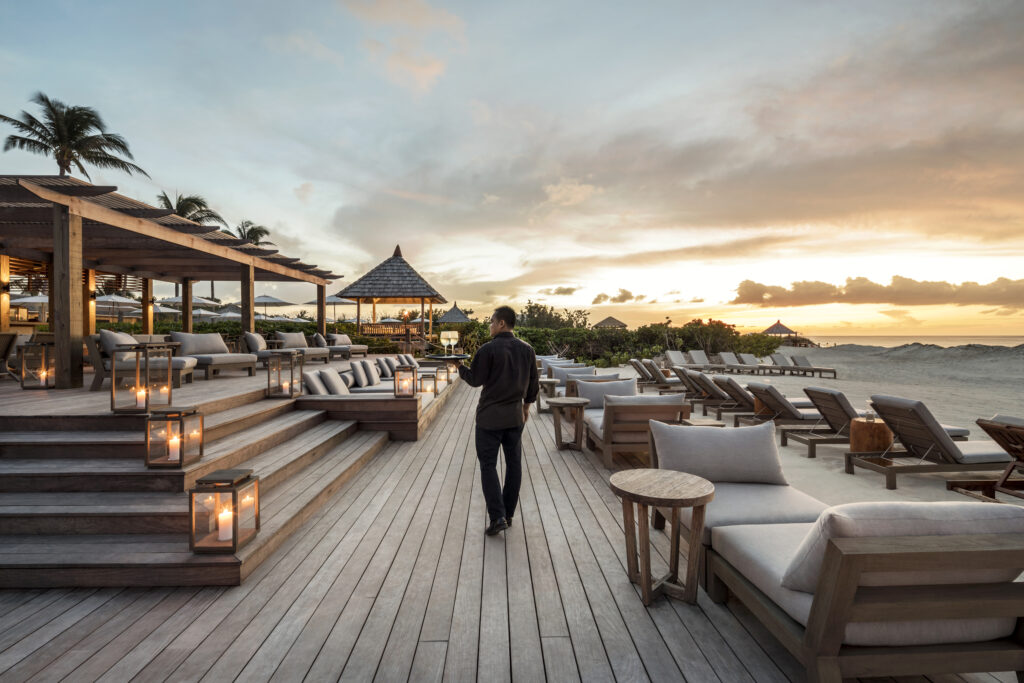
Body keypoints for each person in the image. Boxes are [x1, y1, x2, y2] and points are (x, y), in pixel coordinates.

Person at [454, 305, 539, 536]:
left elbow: (475, 380)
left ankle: (498, 516)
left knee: (488, 466)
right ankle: (508, 514)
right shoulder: (527, 350)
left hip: (489, 420)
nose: (490, 325)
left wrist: (459, 367)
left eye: (492, 321)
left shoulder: (487, 350)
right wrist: (526, 407)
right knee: (514, 466)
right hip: (514, 417)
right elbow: (533, 383)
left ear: (502, 323)